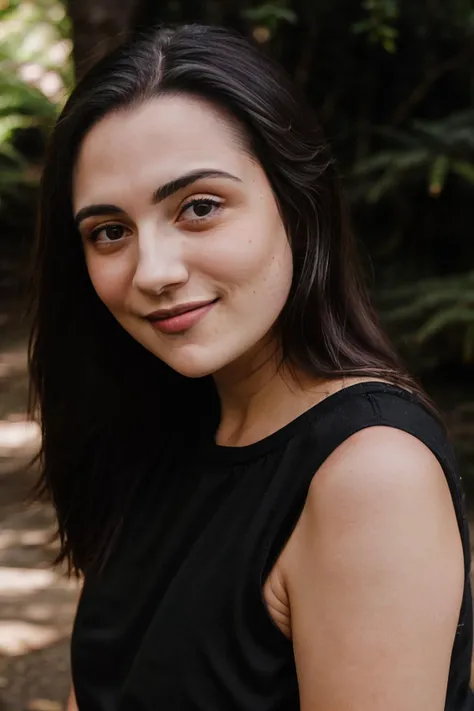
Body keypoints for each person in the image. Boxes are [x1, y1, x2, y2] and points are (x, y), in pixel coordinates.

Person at [28, 23, 473, 711]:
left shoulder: (369, 476)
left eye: (199, 207)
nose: (154, 271)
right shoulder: (158, 430)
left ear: (296, 203)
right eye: (109, 231)